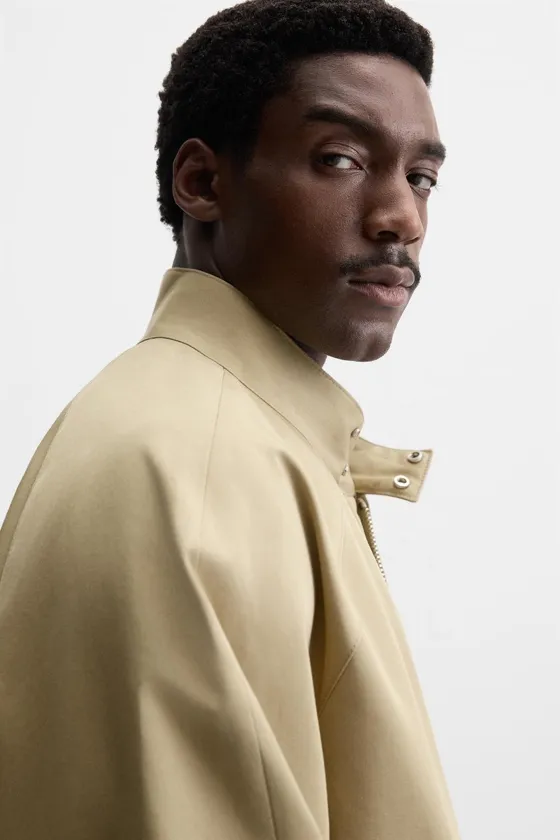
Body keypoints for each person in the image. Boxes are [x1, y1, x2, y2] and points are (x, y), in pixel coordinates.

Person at [0, 0, 459, 837]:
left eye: (421, 177)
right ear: (203, 183)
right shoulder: (186, 465)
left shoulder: (235, 437)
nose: (404, 217)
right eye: (341, 159)